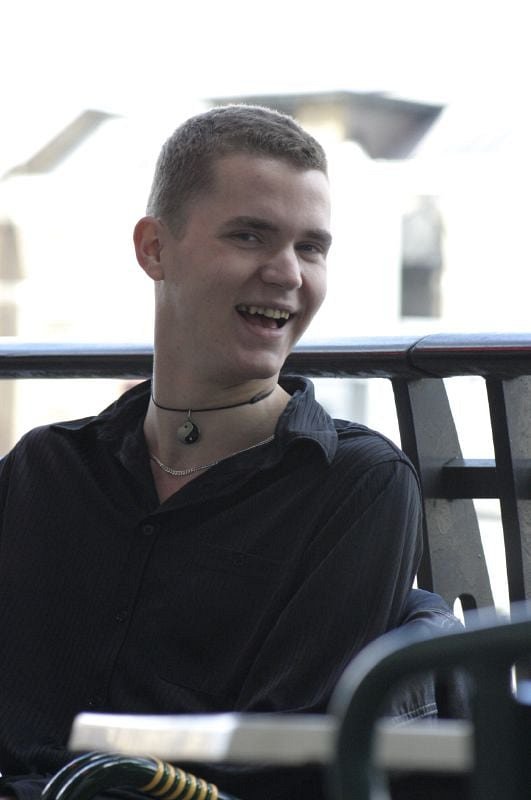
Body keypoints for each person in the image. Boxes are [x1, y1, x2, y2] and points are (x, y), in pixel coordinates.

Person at [0, 105, 463, 800]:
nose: (287, 272)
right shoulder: (44, 470)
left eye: (312, 248)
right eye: (250, 235)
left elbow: (280, 770)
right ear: (154, 249)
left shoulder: (356, 483)